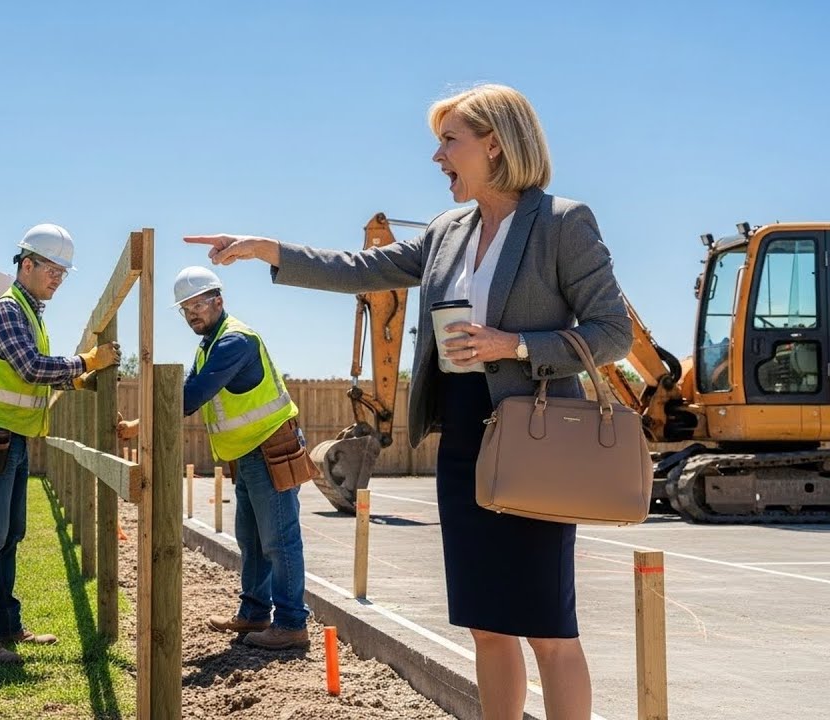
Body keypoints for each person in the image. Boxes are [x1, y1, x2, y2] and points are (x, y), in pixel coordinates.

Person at [182, 84, 633, 719]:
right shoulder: (448, 230)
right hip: (463, 441)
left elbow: (613, 333)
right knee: (486, 624)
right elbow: (359, 268)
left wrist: (514, 345)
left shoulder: (562, 223)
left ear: (497, 145)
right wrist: (268, 250)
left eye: (450, 140)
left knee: (547, 626)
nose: (436, 156)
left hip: (535, 442)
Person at [119, 266, 315, 651]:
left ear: (218, 301)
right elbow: (187, 397)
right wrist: (139, 425)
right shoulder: (210, 344)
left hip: (270, 449)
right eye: (185, 308)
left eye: (198, 304)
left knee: (279, 540)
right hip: (250, 455)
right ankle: (255, 613)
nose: (192, 313)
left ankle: (292, 623)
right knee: (252, 540)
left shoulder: (234, 343)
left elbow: (189, 398)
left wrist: (139, 425)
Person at [0, 223, 121, 663]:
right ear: (26, 264)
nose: (58, 279)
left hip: (10, 435)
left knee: (8, 537)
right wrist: (86, 361)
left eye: (64, 273)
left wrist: (77, 380)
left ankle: (5, 627)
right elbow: (30, 367)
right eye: (52, 269)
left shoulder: (30, 312)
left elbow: (34, 374)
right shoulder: (6, 308)